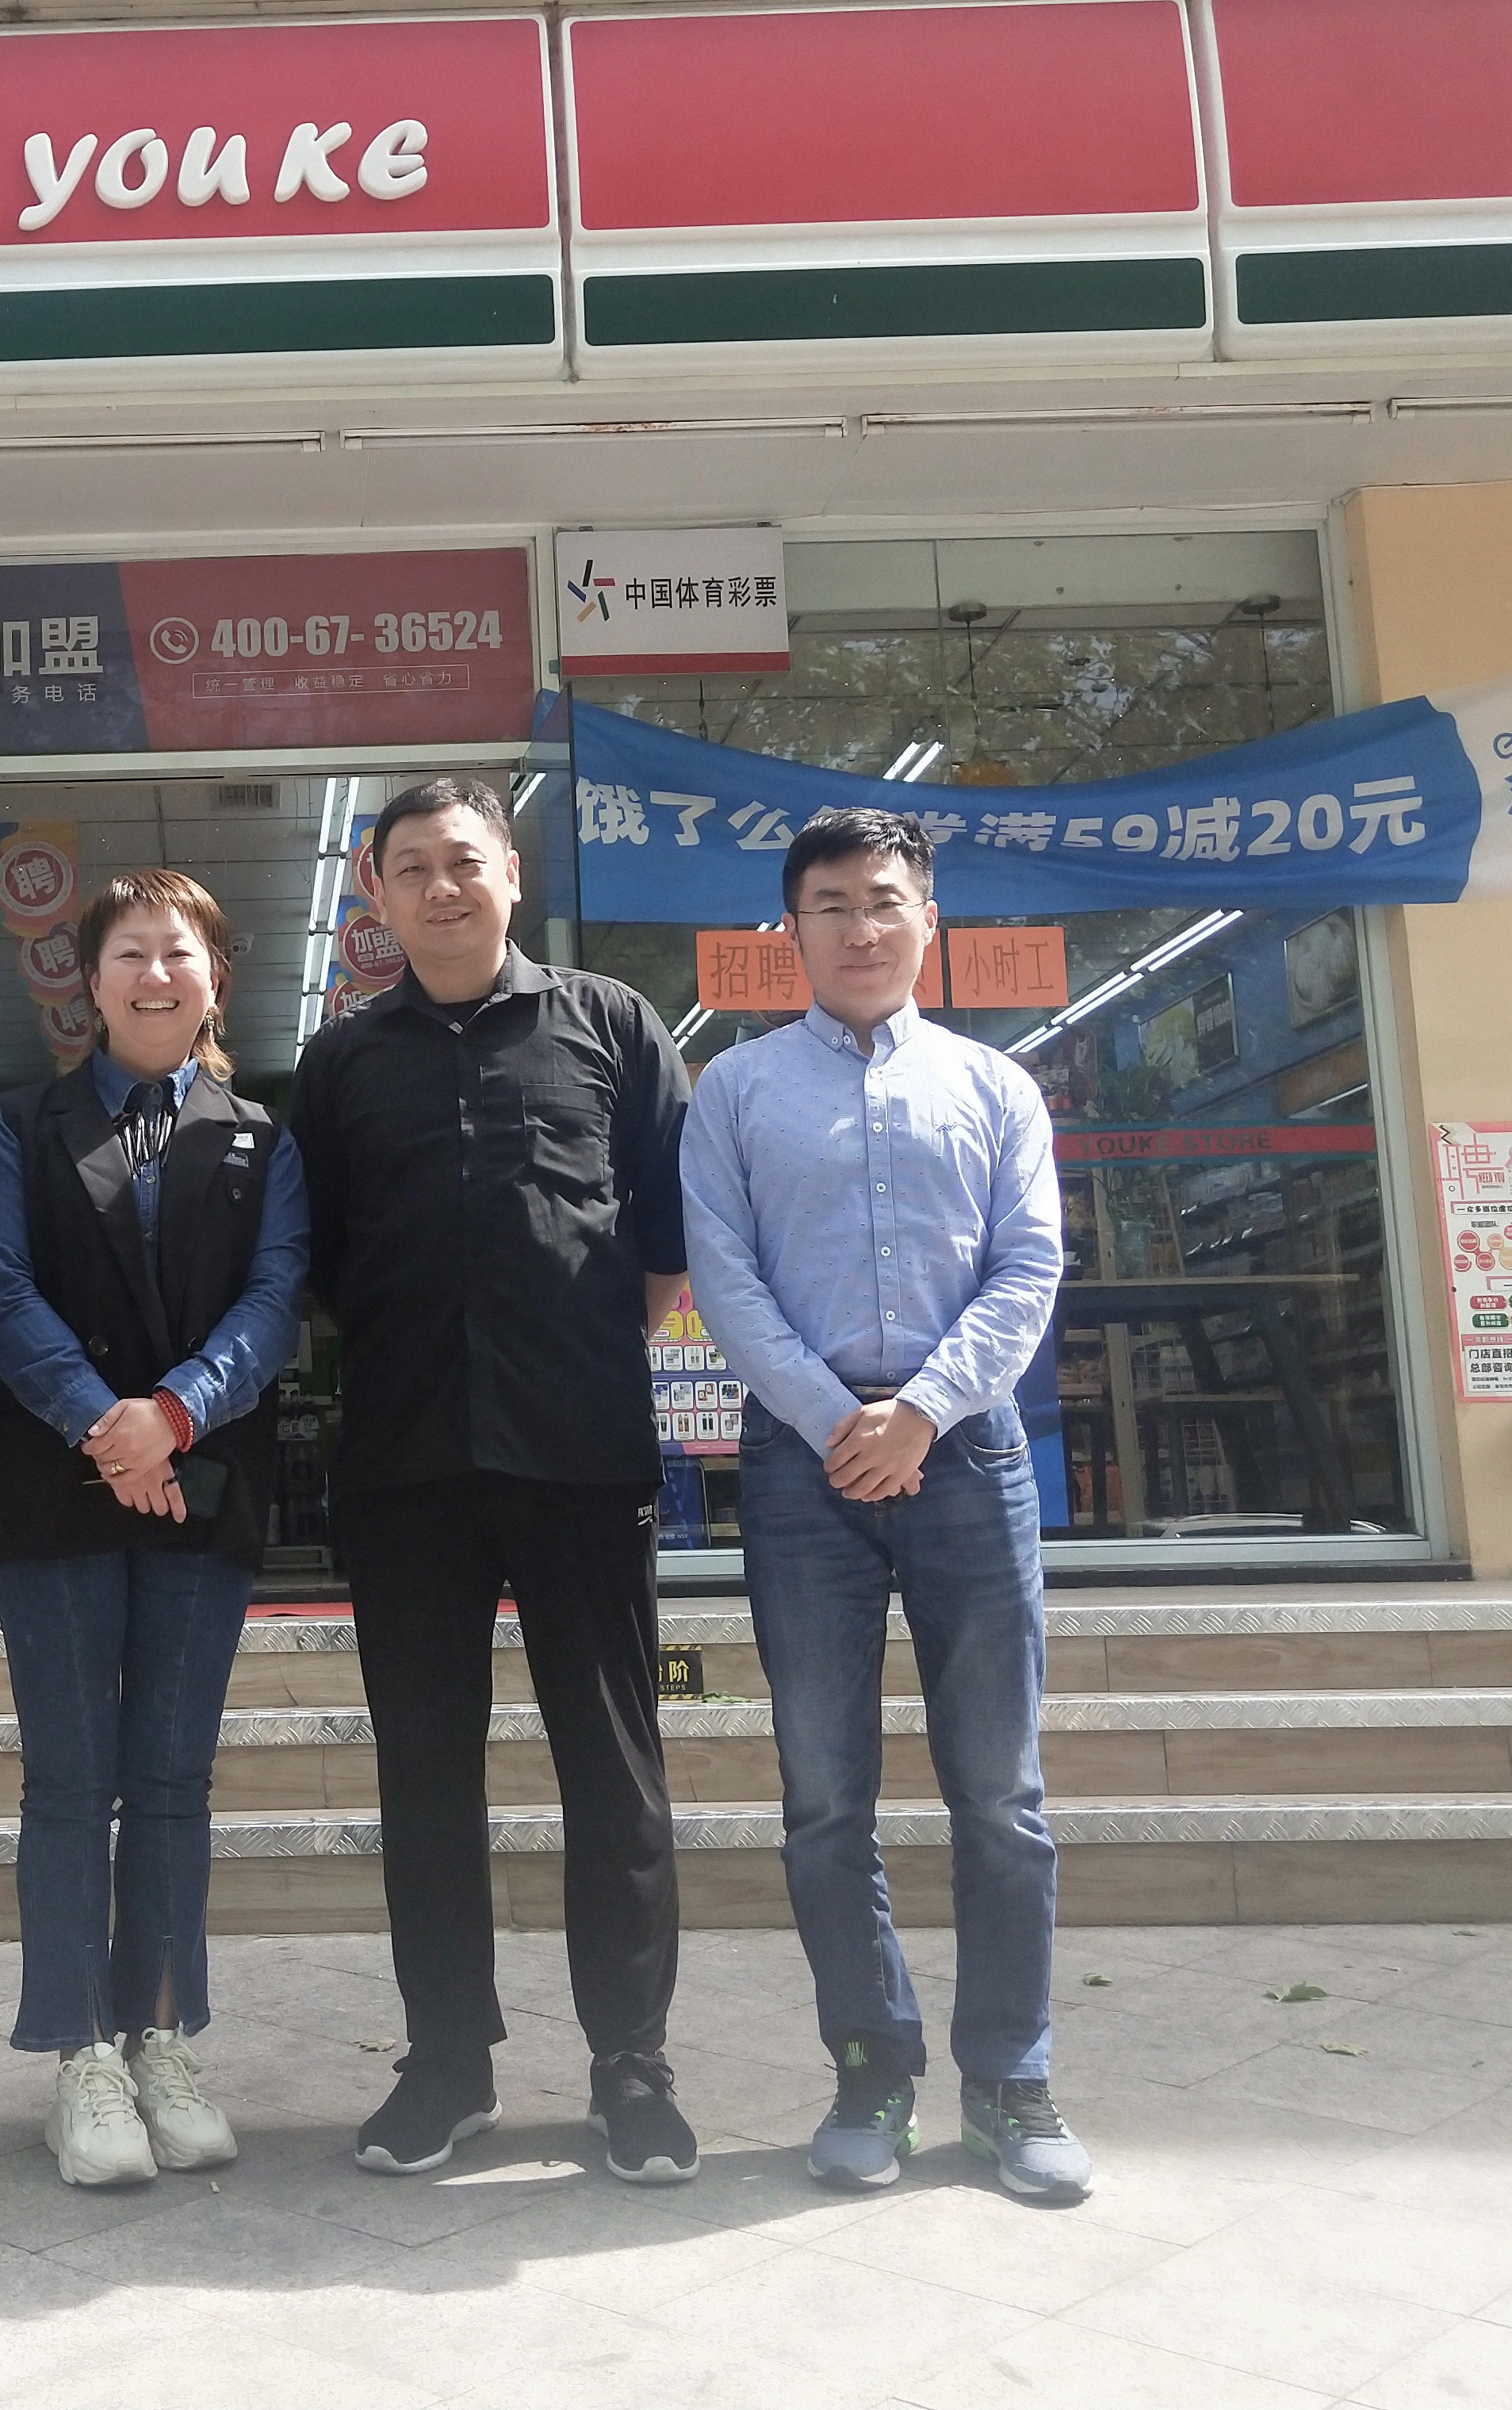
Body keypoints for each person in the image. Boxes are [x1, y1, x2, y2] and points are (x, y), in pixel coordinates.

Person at [289, 773, 699, 2187]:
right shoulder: (343, 1063)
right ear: (378, 895)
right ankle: (446, 2061)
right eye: (410, 867)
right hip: (407, 1462)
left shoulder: (610, 1024)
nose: (441, 887)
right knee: (424, 1771)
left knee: (614, 1765)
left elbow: (667, 1238)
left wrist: (568, 1347)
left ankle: (631, 2066)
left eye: (463, 860)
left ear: (510, 873)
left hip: (581, 1453)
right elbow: (320, 1261)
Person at [677, 805, 1089, 2205]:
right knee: (823, 1796)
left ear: (929, 921)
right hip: (803, 1469)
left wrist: (921, 1413)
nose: (862, 927)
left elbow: (1029, 1267)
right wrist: (833, 1420)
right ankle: (872, 2067)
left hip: (966, 1458)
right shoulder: (735, 1092)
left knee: (1002, 1796)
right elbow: (724, 1275)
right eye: (833, 905)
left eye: (885, 900)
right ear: (790, 930)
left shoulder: (997, 1087)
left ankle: (1014, 2080)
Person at [0, 869, 309, 2188]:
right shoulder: (18, 1128)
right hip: (56, 1489)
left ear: (215, 978)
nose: (154, 975)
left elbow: (274, 1303)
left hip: (202, 1484)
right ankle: (81, 2056)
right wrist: (106, 1425)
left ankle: (160, 2035)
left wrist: (172, 1414)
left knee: (170, 1779)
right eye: (128, 953)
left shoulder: (262, 1140)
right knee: (69, 1780)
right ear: (89, 980)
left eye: (178, 953)